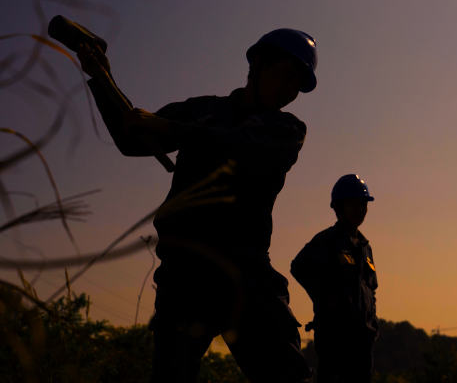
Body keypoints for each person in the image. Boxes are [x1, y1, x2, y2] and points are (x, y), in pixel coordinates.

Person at [77, 28, 318, 383]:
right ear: (259, 64)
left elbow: (234, 148)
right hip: (186, 270)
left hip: (245, 269)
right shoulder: (202, 110)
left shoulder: (286, 129)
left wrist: (169, 126)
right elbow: (134, 138)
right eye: (286, 74)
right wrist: (100, 76)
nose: (289, 89)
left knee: (286, 376)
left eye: (297, 84)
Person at [291, 174, 379, 383]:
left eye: (362, 204)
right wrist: (324, 298)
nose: (359, 210)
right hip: (336, 338)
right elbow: (300, 266)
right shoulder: (328, 240)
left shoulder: (365, 247)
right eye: (352, 204)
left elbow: (371, 288)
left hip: (363, 340)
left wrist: (372, 322)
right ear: (338, 208)